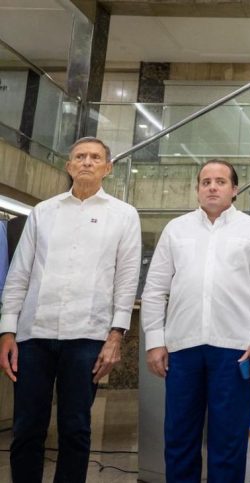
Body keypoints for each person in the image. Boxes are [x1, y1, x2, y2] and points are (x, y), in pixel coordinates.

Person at [0, 136, 141, 482]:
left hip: (88, 336)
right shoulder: (43, 212)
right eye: (79, 156)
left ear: (108, 168)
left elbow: (126, 279)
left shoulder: (124, 216)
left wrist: (116, 336)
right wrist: (7, 331)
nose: (86, 162)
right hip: (34, 335)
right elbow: (19, 273)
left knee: (75, 428)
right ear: (68, 165)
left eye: (95, 157)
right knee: (27, 427)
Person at [141, 159, 250, 482]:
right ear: (197, 190)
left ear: (234, 190)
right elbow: (155, 288)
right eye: (206, 182)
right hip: (182, 348)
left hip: (235, 350)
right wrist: (154, 341)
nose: (212, 187)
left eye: (220, 182)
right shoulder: (176, 229)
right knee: (179, 437)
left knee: (228, 441)